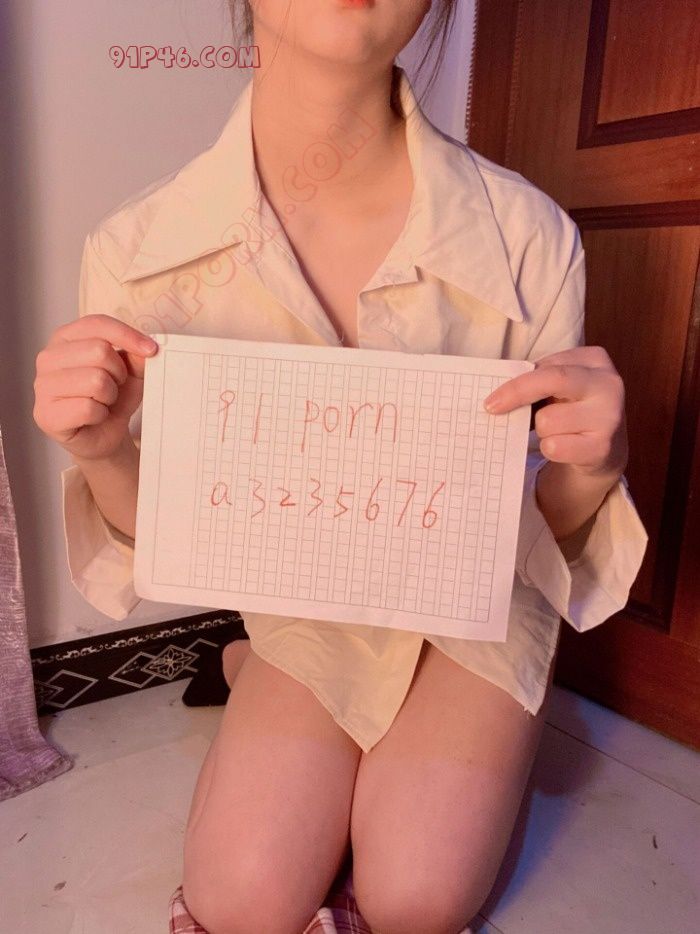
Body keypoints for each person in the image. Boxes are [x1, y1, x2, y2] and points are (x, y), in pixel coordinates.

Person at [32, 1, 648, 931]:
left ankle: (405, 713)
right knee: (243, 896)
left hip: (480, 609)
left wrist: (595, 467)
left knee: (417, 894)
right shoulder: (139, 252)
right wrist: (102, 450)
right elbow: (152, 536)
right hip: (310, 613)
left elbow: (543, 538)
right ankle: (253, 664)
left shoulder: (531, 235)